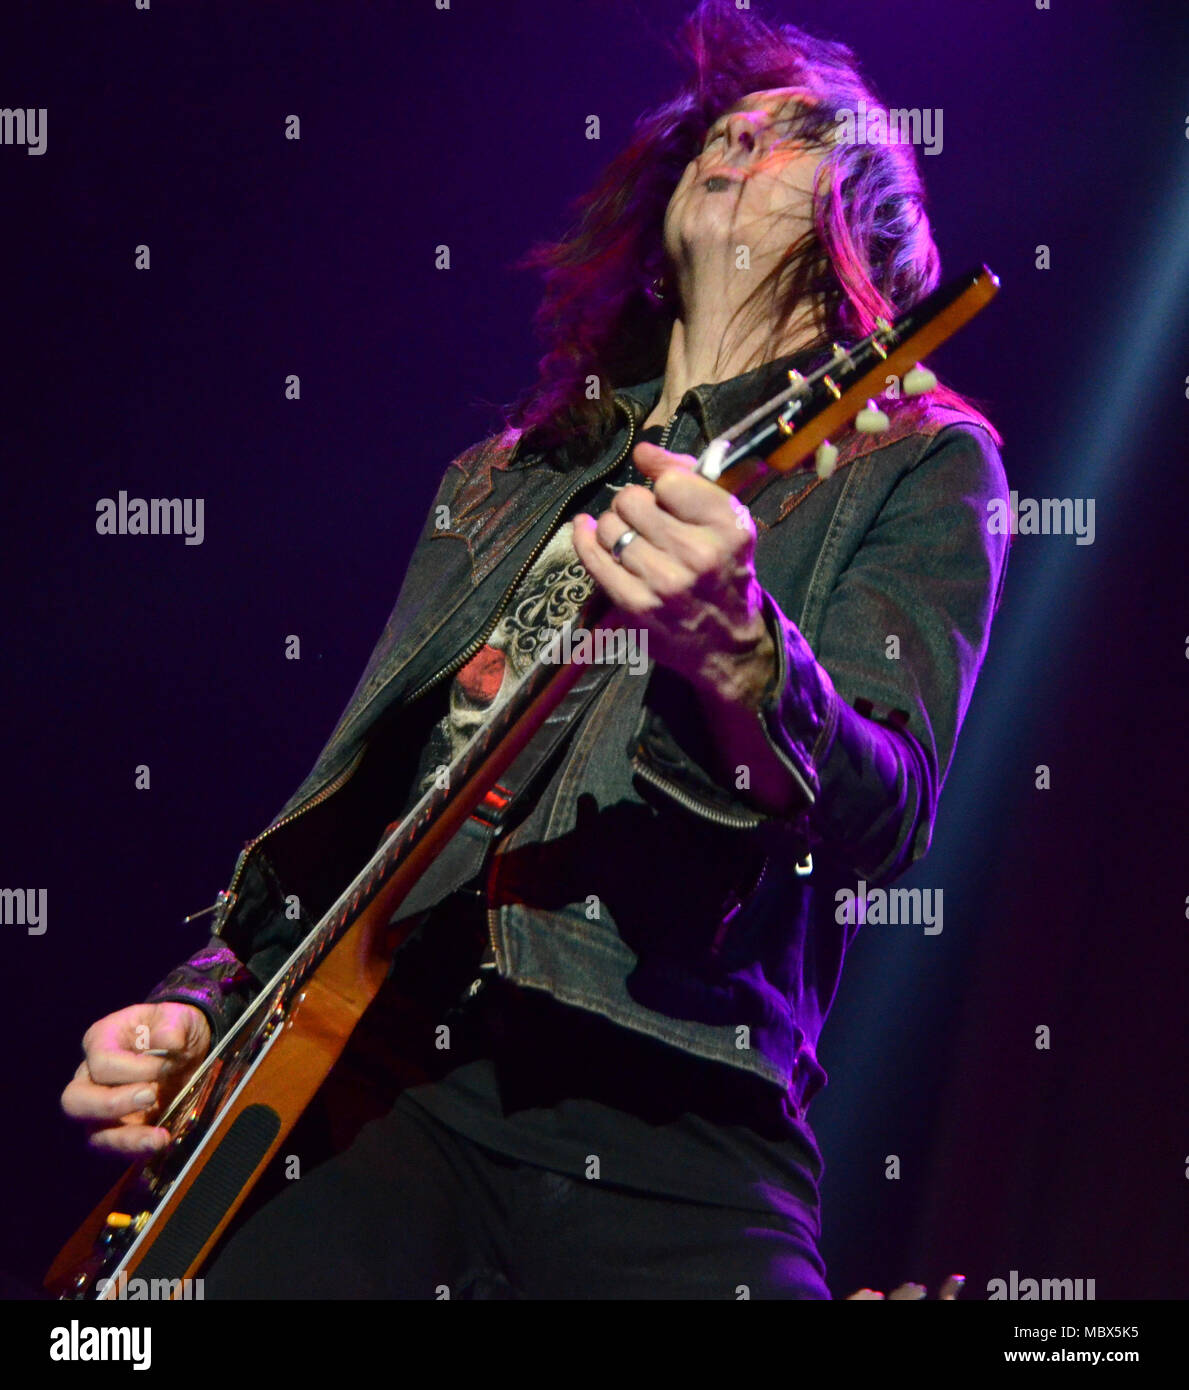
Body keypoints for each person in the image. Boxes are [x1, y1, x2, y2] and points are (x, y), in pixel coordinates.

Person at [59, 0, 1009, 1299]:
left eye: (794, 133)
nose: (738, 144)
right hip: (389, 1066)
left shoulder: (914, 456)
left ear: (871, 222)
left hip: (675, 1092)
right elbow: (364, 793)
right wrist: (205, 1002)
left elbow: (886, 806)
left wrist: (743, 656)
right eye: (720, 133)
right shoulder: (504, 476)